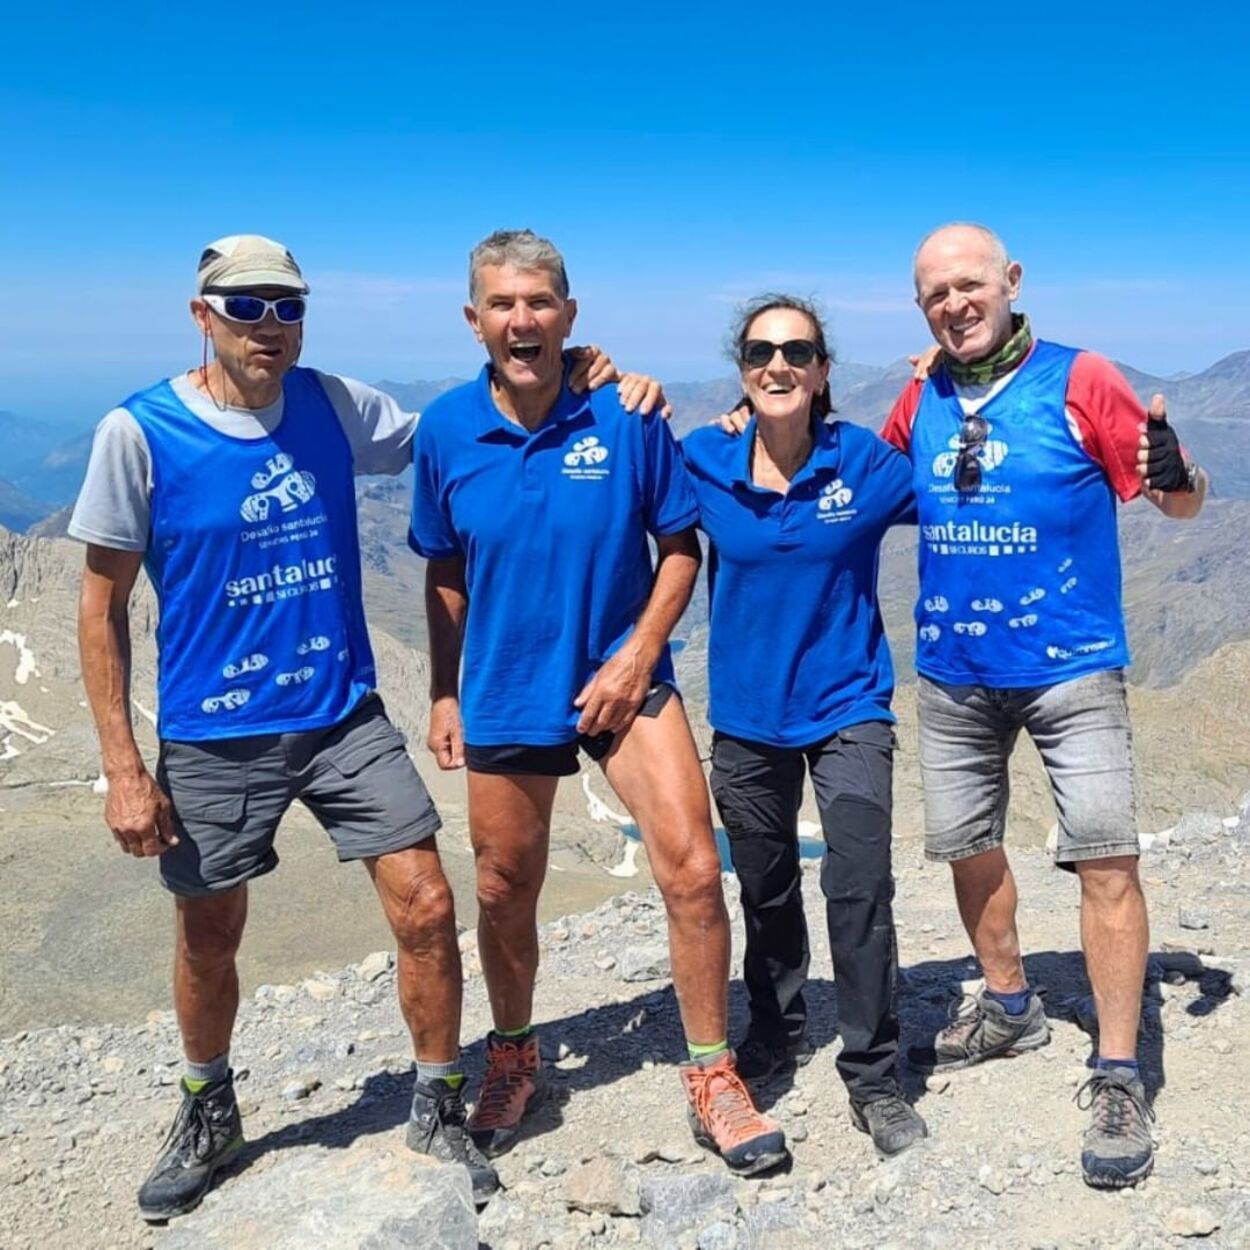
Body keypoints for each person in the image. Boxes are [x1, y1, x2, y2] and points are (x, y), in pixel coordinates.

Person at [71, 234, 652, 1217]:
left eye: (287, 306)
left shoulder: (333, 405)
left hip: (343, 712)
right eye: (245, 306)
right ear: (200, 312)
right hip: (217, 733)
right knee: (211, 930)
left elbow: (467, 428)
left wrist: (584, 377)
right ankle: (208, 1104)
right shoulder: (140, 433)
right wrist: (126, 768)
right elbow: (99, 607)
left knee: (426, 904)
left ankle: (436, 1104)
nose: (269, 326)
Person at [409, 229, 788, 1177]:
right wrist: (444, 691)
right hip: (503, 682)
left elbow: (679, 546)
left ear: (569, 315)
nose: (521, 319)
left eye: (539, 302)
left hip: (624, 675)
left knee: (697, 870)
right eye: (502, 304)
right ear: (474, 321)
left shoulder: (626, 414)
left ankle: (711, 1072)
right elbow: (445, 572)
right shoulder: (447, 430)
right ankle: (513, 1053)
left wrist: (638, 656)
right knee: (502, 886)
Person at [879, 223, 1208, 1189]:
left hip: (1072, 667)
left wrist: (1178, 474)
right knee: (967, 845)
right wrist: (748, 418)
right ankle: (1011, 1006)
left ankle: (1117, 1070)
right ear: (921, 307)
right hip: (951, 672)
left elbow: (1177, 502)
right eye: (936, 292)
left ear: (1012, 282)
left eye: (970, 284)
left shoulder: (1082, 379)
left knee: (1105, 857)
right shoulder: (920, 393)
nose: (955, 303)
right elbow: (856, 473)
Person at [680, 295, 925, 1158]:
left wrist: (944, 390)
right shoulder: (702, 458)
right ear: (742, 370)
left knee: (859, 887)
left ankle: (873, 1073)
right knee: (766, 888)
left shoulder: (866, 461)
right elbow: (617, 503)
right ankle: (775, 1034)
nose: (777, 365)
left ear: (822, 371)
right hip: (748, 716)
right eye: (759, 352)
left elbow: (966, 489)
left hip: (850, 706)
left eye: (797, 351)